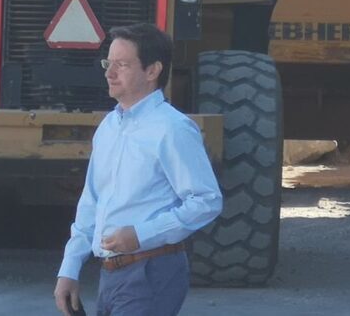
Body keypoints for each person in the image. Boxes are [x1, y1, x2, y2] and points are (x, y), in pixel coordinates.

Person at [53, 23, 223, 316]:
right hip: (111, 275)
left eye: (122, 64)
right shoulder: (108, 127)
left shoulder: (173, 129)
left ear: (152, 70)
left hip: (152, 270)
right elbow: (92, 201)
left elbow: (207, 201)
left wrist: (142, 234)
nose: (109, 72)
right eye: (108, 63)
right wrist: (69, 268)